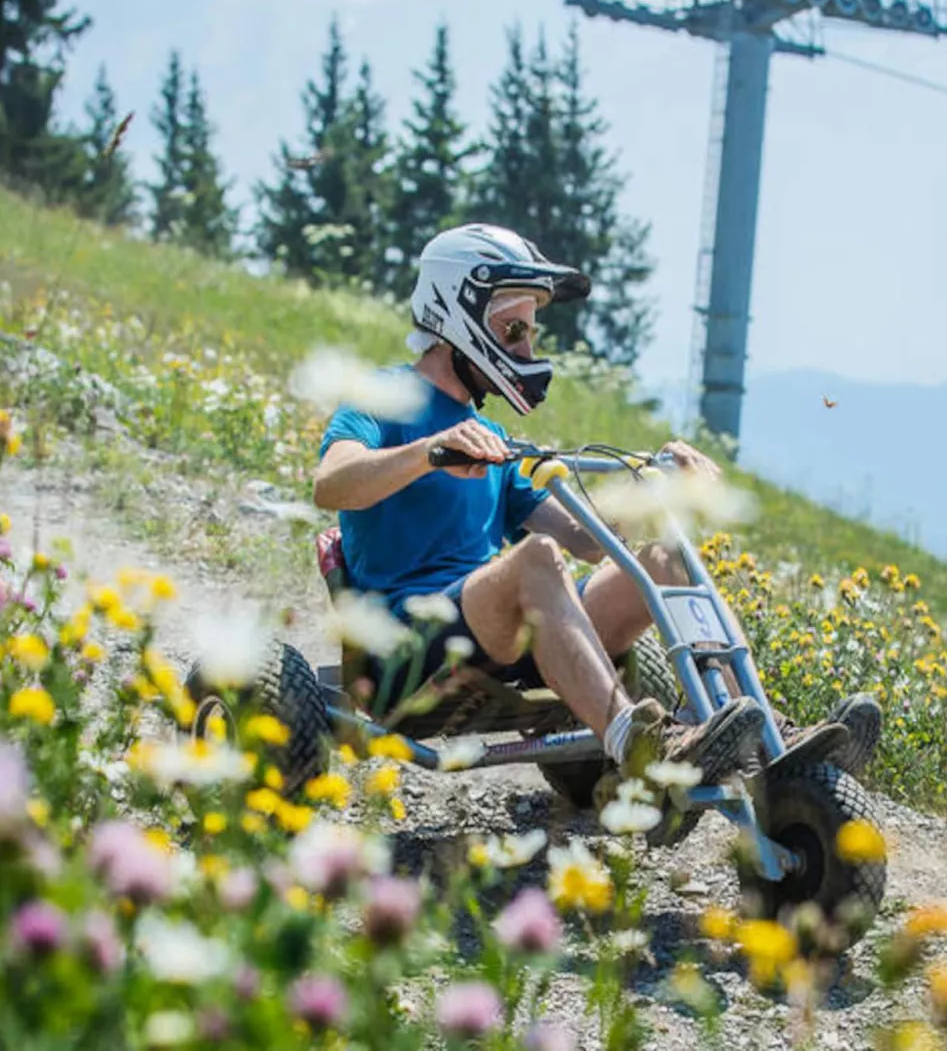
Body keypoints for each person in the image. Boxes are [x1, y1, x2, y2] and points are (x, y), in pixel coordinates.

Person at [313, 223, 879, 783]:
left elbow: (586, 543)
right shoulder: (382, 398)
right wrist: (429, 451)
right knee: (534, 559)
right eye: (514, 332)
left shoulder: (486, 435)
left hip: (501, 635)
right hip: (409, 649)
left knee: (661, 559)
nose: (527, 351)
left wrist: (654, 485)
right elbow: (331, 483)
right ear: (455, 312)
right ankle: (634, 743)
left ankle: (768, 737)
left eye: (530, 335)